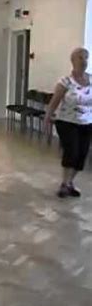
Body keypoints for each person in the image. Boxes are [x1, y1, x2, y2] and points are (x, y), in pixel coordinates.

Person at [45, 48, 92, 198]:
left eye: (86, 58)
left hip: (87, 123)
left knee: (81, 155)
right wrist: (48, 117)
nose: (83, 61)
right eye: (80, 58)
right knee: (72, 151)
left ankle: (70, 183)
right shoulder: (65, 81)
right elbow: (55, 101)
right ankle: (64, 183)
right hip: (67, 122)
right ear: (73, 61)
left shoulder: (91, 80)